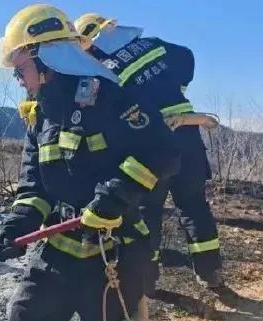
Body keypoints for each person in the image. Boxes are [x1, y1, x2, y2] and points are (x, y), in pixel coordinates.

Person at [0, 5, 179, 321]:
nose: (18, 79)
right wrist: (17, 225)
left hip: (113, 250)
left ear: (45, 58)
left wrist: (115, 196)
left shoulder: (111, 95)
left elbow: (162, 152)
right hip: (59, 246)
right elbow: (35, 184)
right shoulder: (41, 114)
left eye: (20, 69)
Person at [75, 13, 224, 291]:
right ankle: (210, 272)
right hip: (187, 135)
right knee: (193, 205)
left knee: (147, 212)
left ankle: (146, 281)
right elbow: (186, 59)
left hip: (149, 144)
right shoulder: (153, 44)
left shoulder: (100, 69)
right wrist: (174, 90)